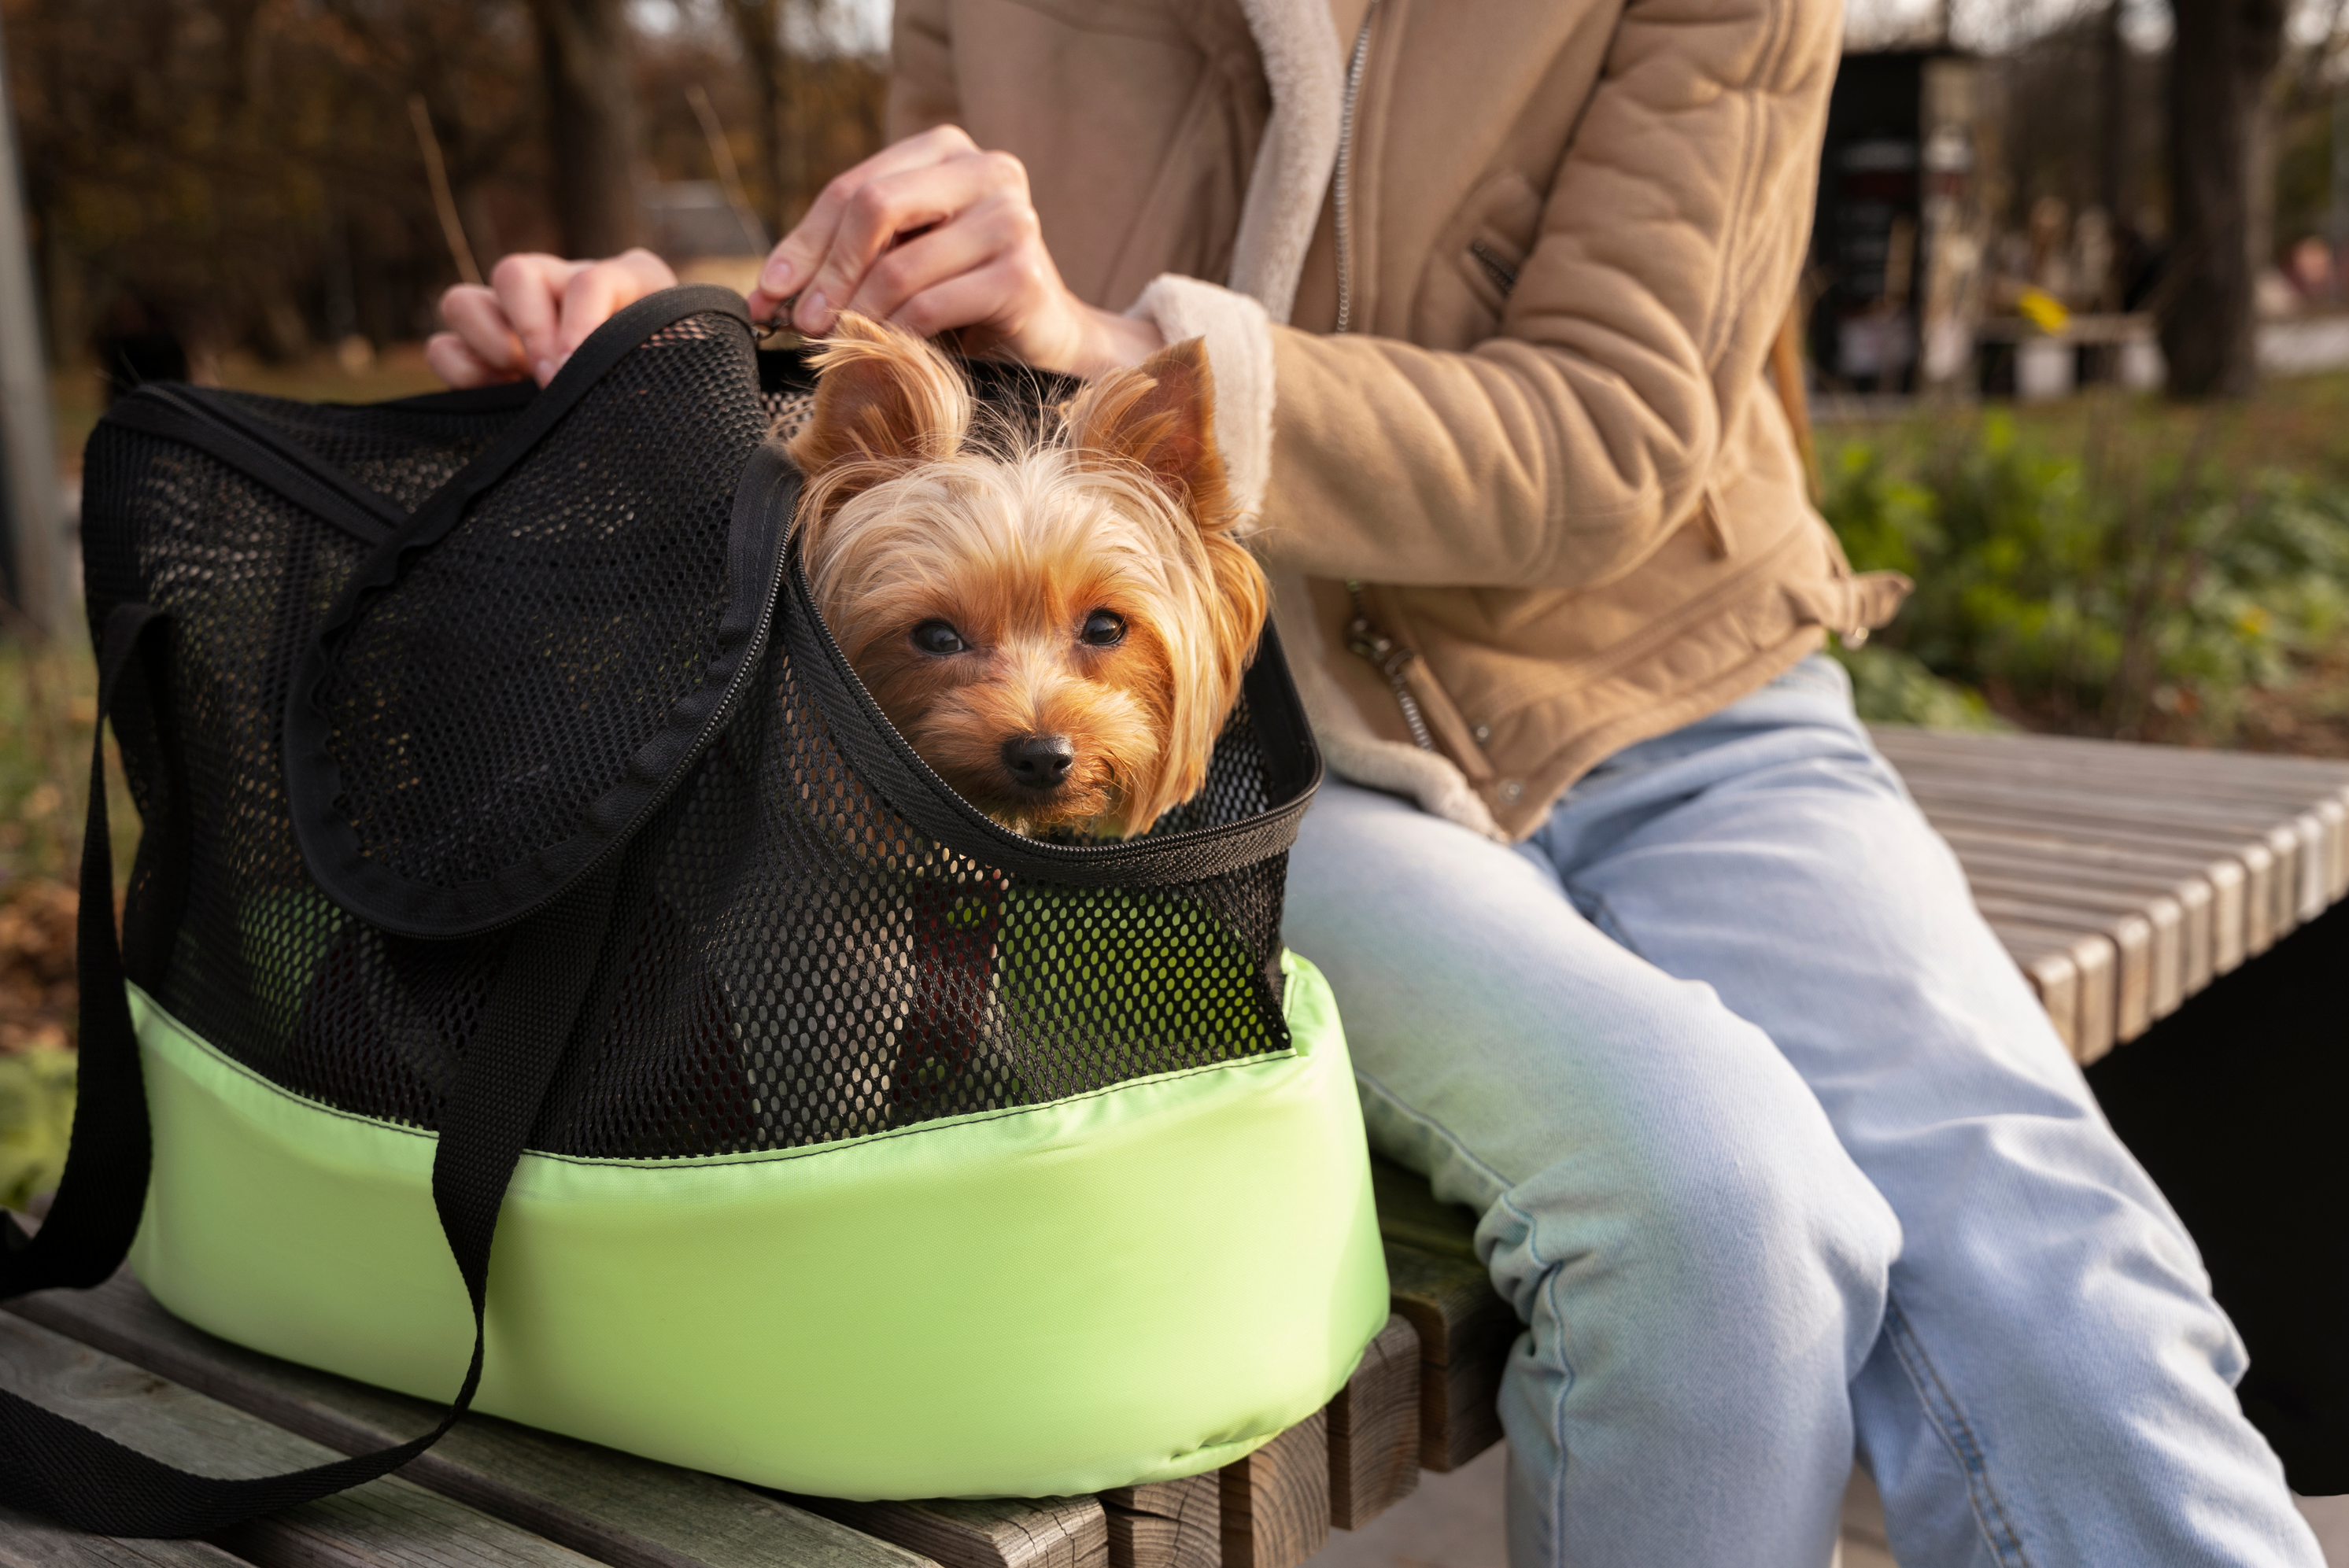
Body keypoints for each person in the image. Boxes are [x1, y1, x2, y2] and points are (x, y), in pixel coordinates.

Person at [427, 3, 2325, 1562]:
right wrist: (660, 348)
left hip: (1679, 693)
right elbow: (913, 441)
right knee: (1720, 1221)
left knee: (2070, 1300)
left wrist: (1130, 349)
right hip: (1247, 753)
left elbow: (1609, 427)